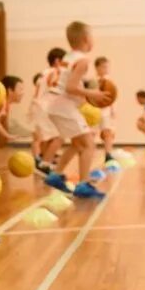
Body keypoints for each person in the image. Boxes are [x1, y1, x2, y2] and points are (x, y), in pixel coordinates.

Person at [44, 22, 113, 199]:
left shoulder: (69, 56)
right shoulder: (83, 60)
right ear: (86, 39)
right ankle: (83, 185)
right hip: (63, 104)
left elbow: (70, 84)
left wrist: (86, 95)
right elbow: (70, 87)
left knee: (77, 144)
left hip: (55, 104)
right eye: (92, 36)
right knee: (89, 143)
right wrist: (94, 93)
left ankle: (56, 175)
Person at [33, 48, 66, 173]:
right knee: (60, 136)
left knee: (49, 138)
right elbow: (56, 89)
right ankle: (45, 164)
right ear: (57, 61)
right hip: (46, 108)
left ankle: (44, 162)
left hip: (39, 107)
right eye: (64, 62)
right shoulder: (56, 72)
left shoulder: (43, 73)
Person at [92, 57, 118, 163]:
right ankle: (89, 152)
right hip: (94, 110)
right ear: (97, 68)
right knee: (91, 134)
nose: (106, 69)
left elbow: (112, 96)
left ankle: (108, 155)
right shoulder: (93, 81)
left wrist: (113, 109)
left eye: (107, 67)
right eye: (103, 67)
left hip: (105, 110)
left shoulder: (109, 81)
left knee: (107, 132)